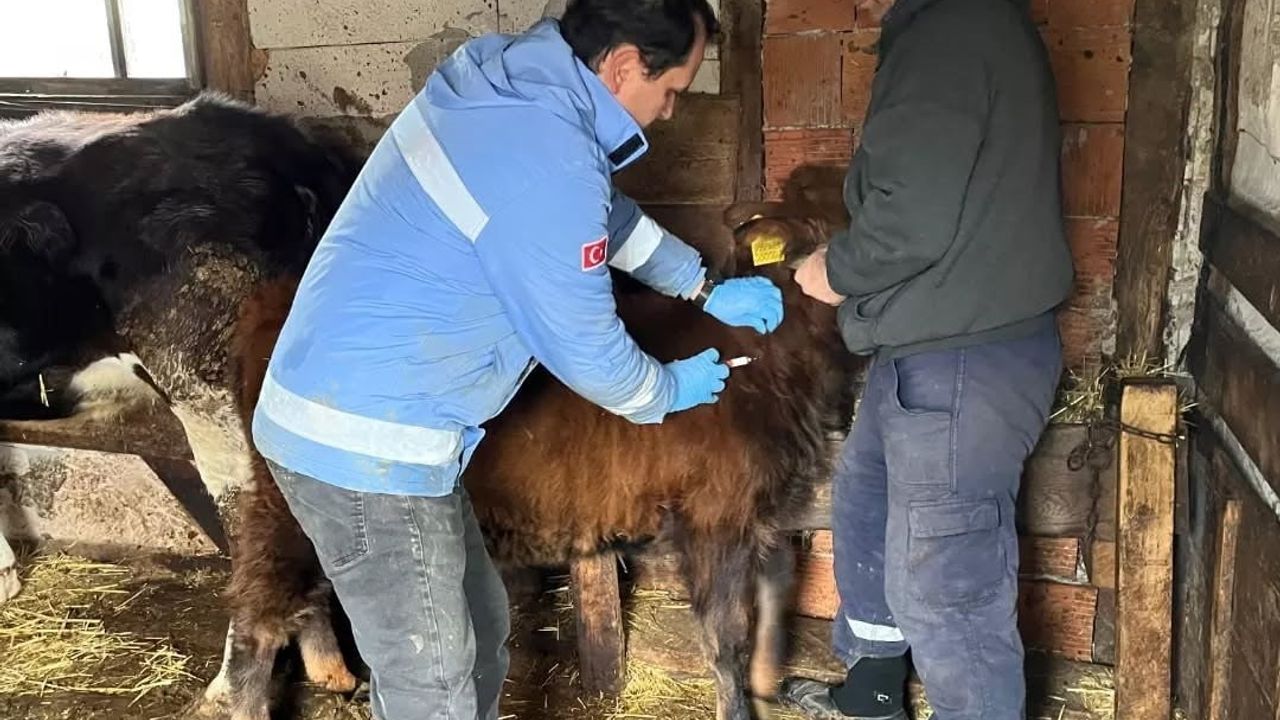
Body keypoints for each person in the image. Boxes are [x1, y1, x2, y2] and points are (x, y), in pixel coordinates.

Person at [248, 2, 784, 718]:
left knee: (481, 629)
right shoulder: (547, 155)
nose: (666, 113)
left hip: (382, 419)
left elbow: (598, 215)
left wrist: (700, 283)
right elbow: (587, 347)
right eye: (673, 91)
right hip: (366, 445)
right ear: (624, 67)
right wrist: (664, 390)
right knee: (431, 683)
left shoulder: (517, 83)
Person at [776, 0, 1075, 718]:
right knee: (867, 503)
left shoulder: (950, 32)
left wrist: (832, 270)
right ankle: (874, 693)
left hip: (963, 354)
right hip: (936, 336)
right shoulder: (958, 24)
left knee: (945, 583)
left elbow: (910, 218)